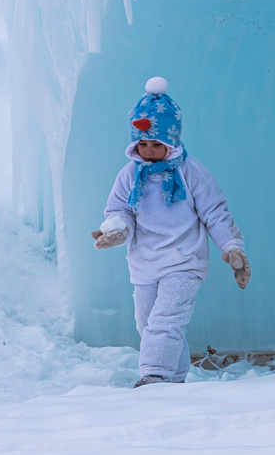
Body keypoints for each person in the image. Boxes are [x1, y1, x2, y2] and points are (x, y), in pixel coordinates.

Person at [91, 76, 250, 386]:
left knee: (165, 321)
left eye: (157, 144)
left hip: (184, 261)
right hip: (144, 262)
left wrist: (232, 248)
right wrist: (117, 231)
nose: (149, 150)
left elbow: (215, 212)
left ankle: (155, 377)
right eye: (143, 143)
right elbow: (119, 209)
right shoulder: (129, 174)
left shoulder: (191, 172)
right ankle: (175, 379)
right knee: (147, 323)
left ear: (172, 141)